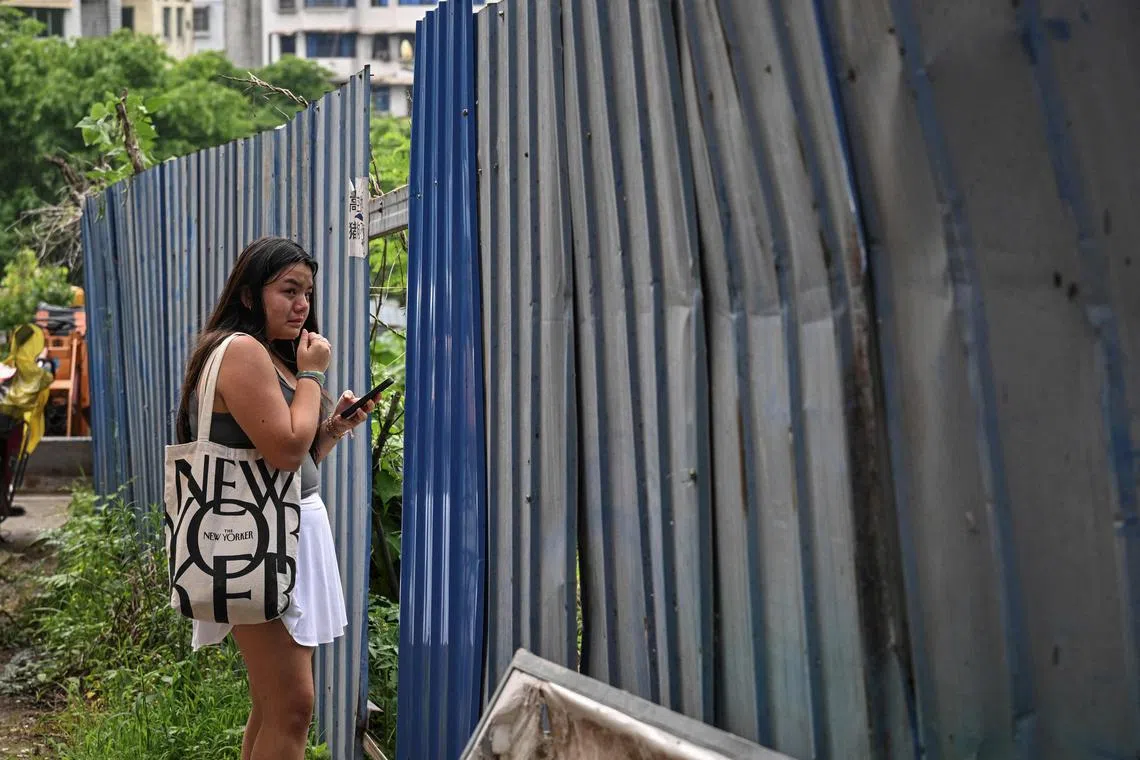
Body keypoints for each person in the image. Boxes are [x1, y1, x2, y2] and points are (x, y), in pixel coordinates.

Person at [174, 236, 376, 760]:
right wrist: (311, 374)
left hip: (283, 528)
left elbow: (288, 463)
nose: (302, 304)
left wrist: (331, 429)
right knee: (292, 707)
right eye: (289, 290)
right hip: (257, 539)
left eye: (307, 292)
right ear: (249, 295)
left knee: (273, 706)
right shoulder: (242, 352)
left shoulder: (267, 355)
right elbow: (286, 451)